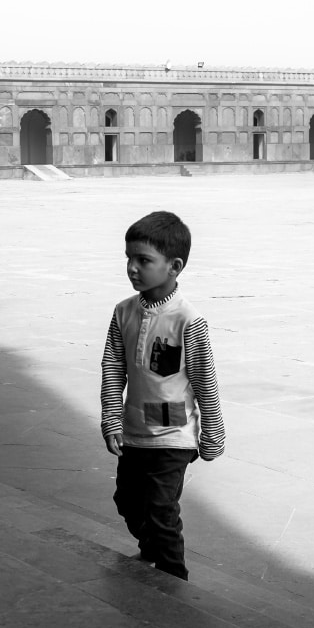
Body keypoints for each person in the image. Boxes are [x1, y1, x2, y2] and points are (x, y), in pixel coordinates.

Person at [100, 211, 225, 580]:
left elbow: (205, 380)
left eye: (144, 261)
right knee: (127, 501)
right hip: (135, 431)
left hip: (174, 436)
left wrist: (212, 433)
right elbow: (112, 369)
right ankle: (151, 547)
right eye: (129, 259)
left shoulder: (188, 320)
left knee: (161, 509)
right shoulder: (123, 312)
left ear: (174, 266)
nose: (132, 268)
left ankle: (174, 580)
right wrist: (111, 420)